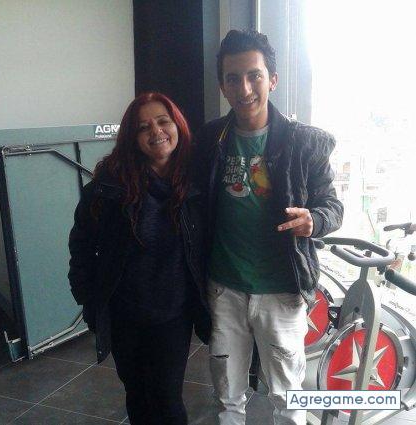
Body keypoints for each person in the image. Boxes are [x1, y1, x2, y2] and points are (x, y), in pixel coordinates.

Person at [194, 30, 344, 425]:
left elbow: (333, 206)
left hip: (281, 289)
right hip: (224, 288)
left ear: (272, 79)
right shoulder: (210, 140)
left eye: (254, 76)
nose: (244, 88)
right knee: (227, 396)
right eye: (233, 78)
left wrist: (314, 221)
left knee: (287, 398)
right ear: (223, 86)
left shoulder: (304, 143)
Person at [68, 92, 211, 425]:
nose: (156, 131)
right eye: (143, 127)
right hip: (124, 314)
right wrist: (88, 299)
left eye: (163, 121)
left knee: (167, 399)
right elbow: (81, 245)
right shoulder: (109, 186)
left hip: (173, 314)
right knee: (136, 394)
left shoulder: (197, 179)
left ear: (177, 125)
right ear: (132, 138)